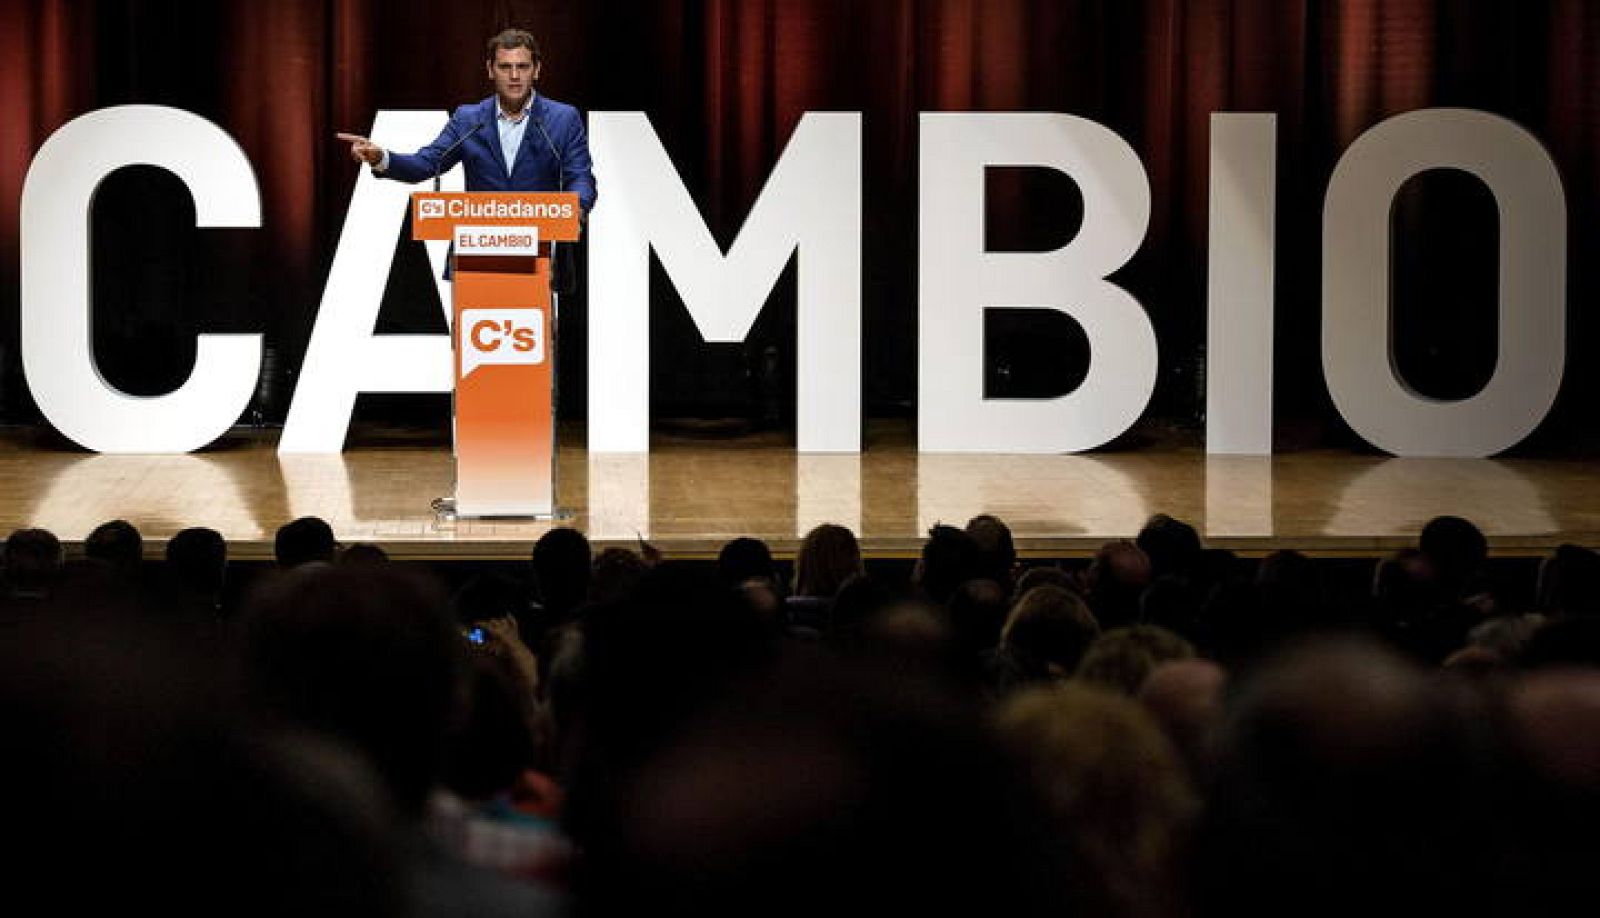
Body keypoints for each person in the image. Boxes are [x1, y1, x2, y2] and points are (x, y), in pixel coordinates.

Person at [337, 29, 597, 215]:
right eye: (505, 67)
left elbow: (581, 177)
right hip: (477, 253)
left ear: (537, 69)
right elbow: (426, 163)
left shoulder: (563, 119)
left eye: (523, 66)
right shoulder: (468, 119)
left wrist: (577, 208)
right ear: (490, 70)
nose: (515, 76)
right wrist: (379, 156)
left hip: (542, 257)